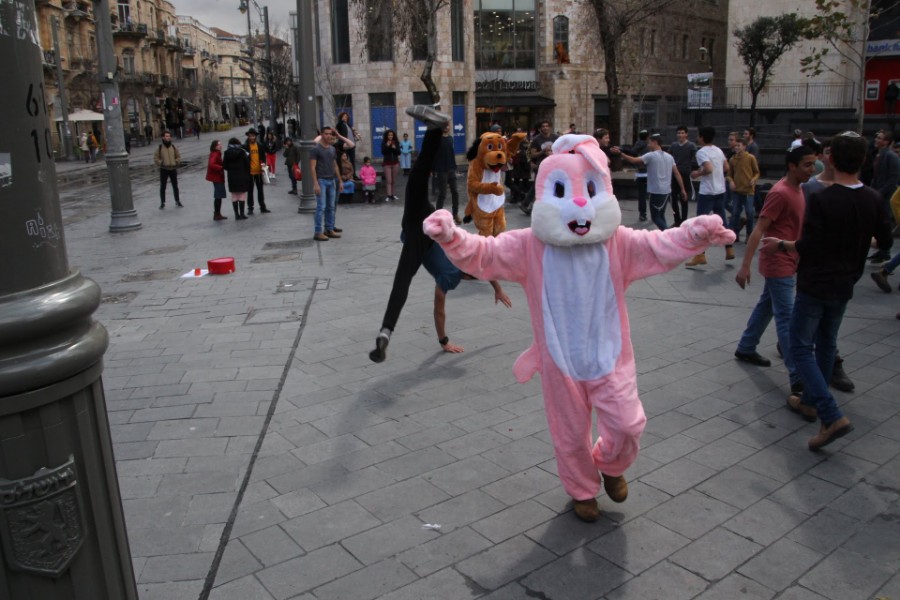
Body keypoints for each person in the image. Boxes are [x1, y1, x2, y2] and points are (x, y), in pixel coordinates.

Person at [761, 131, 892, 450]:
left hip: (815, 281)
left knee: (800, 346)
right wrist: (862, 241)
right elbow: (885, 242)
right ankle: (808, 401)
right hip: (845, 283)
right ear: (864, 161)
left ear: (830, 159)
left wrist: (782, 245)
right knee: (827, 343)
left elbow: (809, 245)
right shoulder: (873, 198)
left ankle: (830, 413)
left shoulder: (820, 197)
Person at [369, 105, 511, 364]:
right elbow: (440, 309)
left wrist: (498, 288)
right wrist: (444, 342)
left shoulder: (463, 261)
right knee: (401, 281)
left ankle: (437, 129)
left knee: (419, 179)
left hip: (429, 221)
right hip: (420, 232)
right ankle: (385, 331)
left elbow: (485, 268)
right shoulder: (450, 278)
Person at [733, 146, 816, 400]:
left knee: (767, 306)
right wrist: (745, 265)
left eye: (813, 164)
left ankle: (747, 346)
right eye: (807, 165)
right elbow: (759, 228)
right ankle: (797, 377)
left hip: (789, 259)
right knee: (787, 319)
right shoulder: (780, 193)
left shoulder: (799, 189)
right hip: (777, 261)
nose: (812, 170)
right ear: (792, 166)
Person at [800, 140, 857, 394]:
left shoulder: (859, 194)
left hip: (834, 275)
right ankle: (817, 394)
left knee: (808, 340)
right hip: (821, 273)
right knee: (817, 336)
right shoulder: (811, 189)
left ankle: (820, 399)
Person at [612, 133, 686, 231]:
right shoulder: (669, 157)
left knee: (655, 217)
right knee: (661, 215)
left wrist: (620, 154)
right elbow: (677, 173)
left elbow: (634, 160)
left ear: (655, 143)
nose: (648, 145)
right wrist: (682, 189)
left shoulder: (651, 156)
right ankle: (665, 236)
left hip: (656, 191)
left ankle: (669, 235)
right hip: (667, 191)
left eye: (649, 143)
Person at [686, 126, 733, 266]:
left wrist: (697, 173)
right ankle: (729, 248)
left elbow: (708, 168)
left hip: (707, 192)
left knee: (700, 223)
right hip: (720, 189)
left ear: (701, 137)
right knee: (722, 220)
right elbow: (726, 167)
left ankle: (700, 255)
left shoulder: (701, 152)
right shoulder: (718, 150)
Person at [869, 130, 899, 263]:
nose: (876, 140)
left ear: (886, 141)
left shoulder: (891, 156)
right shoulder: (878, 155)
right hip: (878, 192)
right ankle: (881, 249)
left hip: (886, 195)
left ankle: (885, 250)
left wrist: (880, 192)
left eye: (880, 138)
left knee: (885, 222)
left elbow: (893, 179)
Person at [310, 125, 343, 241]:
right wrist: (315, 183)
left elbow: (335, 165)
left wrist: (340, 180)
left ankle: (329, 229)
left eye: (330, 134)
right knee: (321, 207)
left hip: (331, 180)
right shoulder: (316, 149)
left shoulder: (332, 149)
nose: (329, 136)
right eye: (326, 134)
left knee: (331, 206)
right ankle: (318, 231)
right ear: (322, 135)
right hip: (321, 180)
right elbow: (312, 167)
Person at [521, 120, 559, 215]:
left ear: (550, 127)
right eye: (543, 126)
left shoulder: (556, 138)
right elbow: (533, 154)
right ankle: (525, 204)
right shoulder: (536, 139)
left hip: (555, 165)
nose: (545, 128)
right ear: (540, 128)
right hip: (542, 165)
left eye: (547, 126)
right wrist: (543, 151)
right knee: (537, 186)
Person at [727, 138, 760, 243]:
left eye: (739, 145)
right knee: (735, 213)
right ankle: (734, 234)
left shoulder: (751, 158)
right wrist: (731, 181)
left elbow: (757, 172)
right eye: (735, 146)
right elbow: (729, 175)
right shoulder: (733, 159)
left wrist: (753, 180)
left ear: (744, 146)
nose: (736, 147)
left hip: (748, 191)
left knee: (749, 213)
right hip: (737, 191)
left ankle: (749, 234)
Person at [669, 125, 696, 226]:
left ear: (686, 134)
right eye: (678, 133)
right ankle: (677, 219)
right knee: (673, 199)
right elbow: (669, 156)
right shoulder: (674, 145)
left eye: (682, 133)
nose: (680, 135)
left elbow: (696, 158)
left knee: (684, 198)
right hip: (674, 174)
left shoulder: (691, 146)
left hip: (685, 174)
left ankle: (684, 221)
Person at [433, 123, 461, 224]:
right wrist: (433, 170)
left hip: (451, 169)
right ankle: (436, 217)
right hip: (441, 170)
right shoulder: (437, 139)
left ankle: (455, 214)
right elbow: (434, 155)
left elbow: (451, 153)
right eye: (444, 126)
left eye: (448, 125)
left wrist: (455, 167)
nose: (446, 127)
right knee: (443, 194)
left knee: (455, 192)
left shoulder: (450, 138)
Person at [243, 128, 270, 214]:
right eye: (250, 136)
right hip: (249, 172)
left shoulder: (259, 145)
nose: (252, 137)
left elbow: (263, 157)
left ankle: (262, 207)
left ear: (255, 136)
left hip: (259, 172)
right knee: (250, 191)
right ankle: (250, 208)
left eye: (253, 136)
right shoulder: (245, 146)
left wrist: (264, 164)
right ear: (248, 136)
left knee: (260, 190)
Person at [223, 137, 250, 220]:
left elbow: (225, 165)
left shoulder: (226, 153)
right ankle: (242, 214)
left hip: (232, 177)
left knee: (234, 196)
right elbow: (247, 164)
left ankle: (236, 215)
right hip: (242, 176)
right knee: (242, 195)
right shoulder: (242, 152)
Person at [154, 130, 182, 209]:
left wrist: (176, 162)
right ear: (163, 137)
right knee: (163, 186)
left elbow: (178, 156)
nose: (168, 138)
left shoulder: (173, 147)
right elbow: (156, 158)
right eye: (166, 136)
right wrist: (161, 163)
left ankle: (177, 200)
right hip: (164, 169)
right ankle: (162, 202)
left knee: (175, 186)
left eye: (169, 136)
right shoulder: (160, 148)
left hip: (173, 168)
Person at [630, 130, 649, 221]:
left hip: (640, 173)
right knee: (653, 195)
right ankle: (656, 212)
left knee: (641, 195)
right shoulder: (650, 146)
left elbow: (632, 156)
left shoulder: (636, 147)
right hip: (649, 173)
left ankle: (642, 213)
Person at [206, 140, 228, 221]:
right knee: (218, 195)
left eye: (220, 145)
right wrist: (220, 168)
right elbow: (212, 164)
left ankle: (217, 213)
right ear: (215, 146)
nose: (220, 146)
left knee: (218, 195)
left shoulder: (216, 153)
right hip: (217, 177)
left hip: (217, 177)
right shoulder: (215, 154)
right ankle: (217, 213)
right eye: (219, 145)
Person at [381, 129, 401, 201]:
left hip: (395, 163)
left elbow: (398, 152)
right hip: (387, 163)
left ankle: (393, 194)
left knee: (393, 180)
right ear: (387, 136)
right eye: (389, 135)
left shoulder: (396, 142)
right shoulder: (384, 142)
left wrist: (394, 148)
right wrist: (387, 146)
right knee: (389, 180)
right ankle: (388, 195)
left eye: (391, 135)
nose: (390, 136)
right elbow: (383, 152)